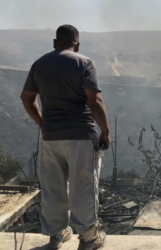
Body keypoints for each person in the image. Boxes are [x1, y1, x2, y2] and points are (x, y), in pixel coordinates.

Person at [20, 24, 110, 250]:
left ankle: (56, 236)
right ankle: (89, 239)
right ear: (77, 44)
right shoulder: (83, 62)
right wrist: (105, 132)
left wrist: (43, 123)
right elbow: (95, 101)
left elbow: (27, 98)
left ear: (54, 42)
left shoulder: (39, 64)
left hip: (51, 137)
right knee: (83, 186)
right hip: (81, 135)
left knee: (53, 188)